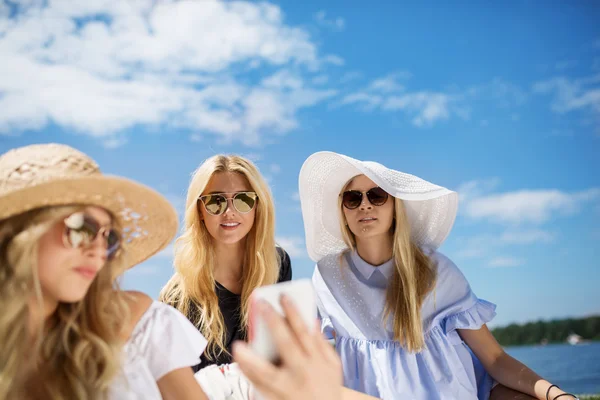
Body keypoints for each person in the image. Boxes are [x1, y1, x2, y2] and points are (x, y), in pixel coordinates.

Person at [297, 151, 579, 400]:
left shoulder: (436, 270)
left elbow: (493, 358)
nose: (365, 205)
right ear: (343, 209)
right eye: (353, 197)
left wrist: (555, 394)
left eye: (378, 195)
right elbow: (308, 365)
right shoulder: (327, 275)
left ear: (395, 206)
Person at [0, 143, 209, 399]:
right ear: (17, 234)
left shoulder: (138, 325)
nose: (99, 250)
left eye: (108, 237)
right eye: (82, 228)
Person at [160, 154, 292, 372]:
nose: (229, 212)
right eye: (215, 201)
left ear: (257, 206)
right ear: (200, 211)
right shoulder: (177, 298)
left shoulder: (277, 264)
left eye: (243, 200)